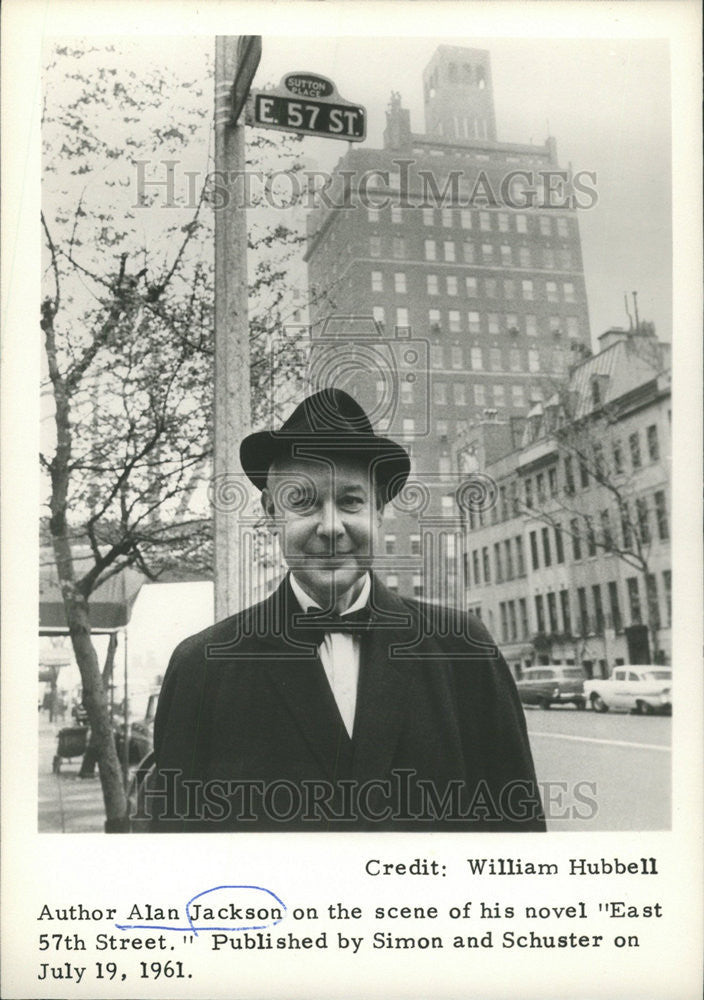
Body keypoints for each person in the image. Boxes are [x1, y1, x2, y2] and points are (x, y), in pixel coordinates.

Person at [148, 388, 545, 831]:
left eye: (351, 501)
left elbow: (519, 841)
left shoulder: (464, 650)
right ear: (270, 512)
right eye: (304, 502)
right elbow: (176, 859)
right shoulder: (202, 668)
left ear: (378, 511)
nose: (331, 527)